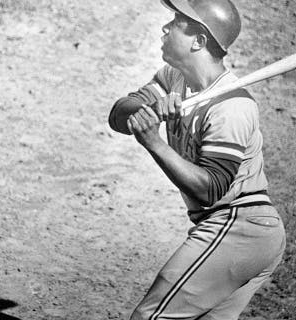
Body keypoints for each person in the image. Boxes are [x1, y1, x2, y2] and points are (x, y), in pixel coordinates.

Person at [107, 0, 286, 319]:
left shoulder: (231, 108)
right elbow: (119, 114)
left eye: (176, 22)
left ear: (199, 40)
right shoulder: (173, 77)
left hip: (241, 227)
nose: (165, 28)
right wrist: (149, 109)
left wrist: (154, 142)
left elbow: (211, 189)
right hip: (238, 230)